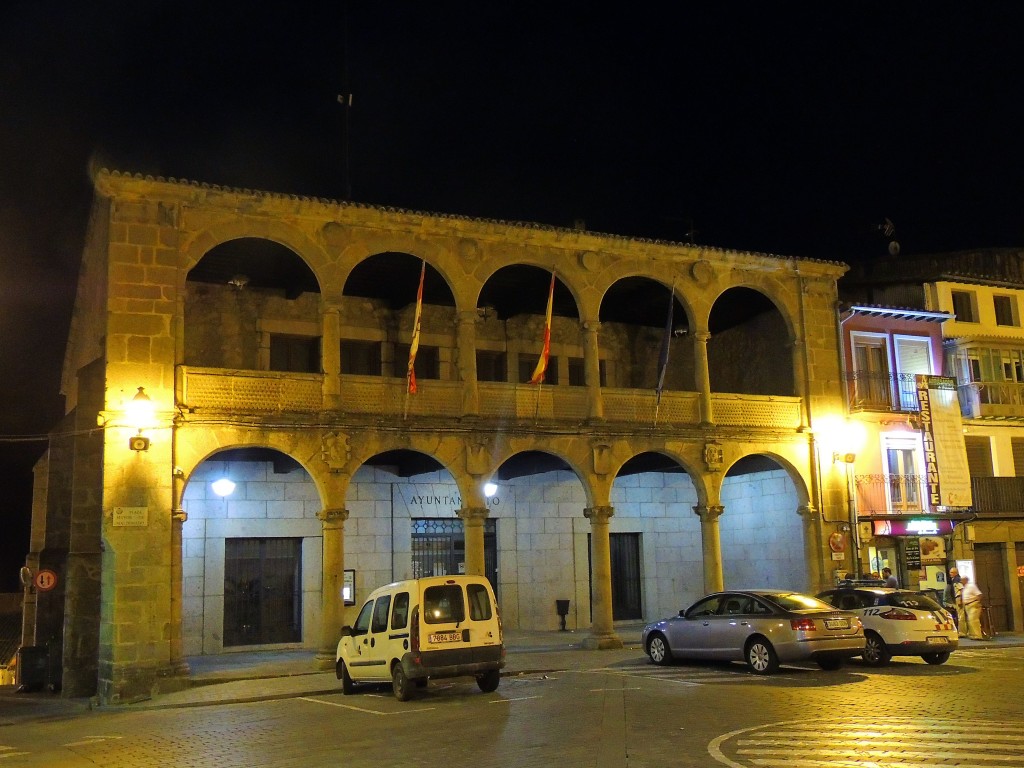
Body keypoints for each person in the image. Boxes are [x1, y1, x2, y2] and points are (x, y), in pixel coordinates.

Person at [960, 576, 986, 640]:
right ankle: (973, 634)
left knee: (973, 620)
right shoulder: (964, 587)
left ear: (965, 580)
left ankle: (978, 635)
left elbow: (979, 595)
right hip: (967, 605)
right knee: (970, 620)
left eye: (962, 580)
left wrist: (977, 602)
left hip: (973, 604)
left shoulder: (972, 586)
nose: (961, 582)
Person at [944, 566, 961, 631]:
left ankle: (960, 631)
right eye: (950, 572)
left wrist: (958, 600)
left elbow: (959, 590)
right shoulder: (953, 580)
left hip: (956, 600)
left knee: (960, 616)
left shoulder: (956, 580)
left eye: (952, 572)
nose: (950, 574)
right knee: (958, 616)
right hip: (953, 600)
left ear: (956, 573)